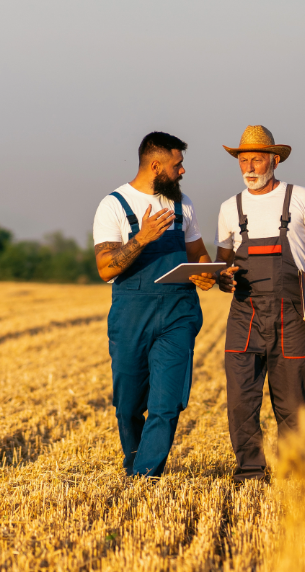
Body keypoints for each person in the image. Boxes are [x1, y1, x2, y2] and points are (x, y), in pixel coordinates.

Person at [214, 125, 305, 483]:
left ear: (275, 160)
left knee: (294, 403)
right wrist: (222, 278)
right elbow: (223, 266)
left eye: (257, 159)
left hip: (292, 315)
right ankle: (250, 471)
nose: (249, 167)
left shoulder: (301, 198)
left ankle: (294, 471)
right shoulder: (228, 208)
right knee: (240, 400)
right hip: (244, 314)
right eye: (243, 160)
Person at [93, 131, 217, 478]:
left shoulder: (184, 205)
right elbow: (105, 269)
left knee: (166, 404)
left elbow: (198, 253)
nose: (183, 171)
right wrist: (142, 237)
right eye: (178, 165)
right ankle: (134, 461)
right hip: (132, 313)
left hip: (179, 312)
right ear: (156, 165)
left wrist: (205, 273)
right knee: (128, 405)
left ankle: (145, 476)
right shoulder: (113, 205)